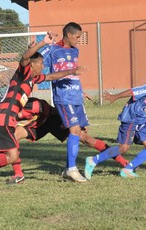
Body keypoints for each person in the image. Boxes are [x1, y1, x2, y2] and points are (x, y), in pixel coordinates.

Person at [0, 32, 87, 191]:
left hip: (5, 119)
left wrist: (71, 71)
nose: (43, 66)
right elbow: (25, 57)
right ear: (32, 65)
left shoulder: (33, 79)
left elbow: (51, 76)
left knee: (9, 156)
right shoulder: (22, 74)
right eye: (41, 63)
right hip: (3, 117)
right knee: (10, 156)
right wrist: (43, 43)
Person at [0, 98, 128, 184]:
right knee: (11, 142)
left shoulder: (32, 105)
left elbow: (45, 107)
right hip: (37, 125)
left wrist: (69, 121)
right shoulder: (3, 111)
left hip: (53, 120)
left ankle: (122, 162)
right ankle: (17, 174)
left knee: (86, 139)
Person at [85, 61, 146, 179]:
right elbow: (133, 91)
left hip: (142, 120)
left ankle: (128, 169)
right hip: (131, 117)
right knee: (123, 148)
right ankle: (93, 161)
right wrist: (115, 96)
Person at [39, 22, 89, 182]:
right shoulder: (53, 50)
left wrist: (81, 91)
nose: (79, 40)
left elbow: (72, 74)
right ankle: (72, 169)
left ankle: (69, 168)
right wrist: (36, 46)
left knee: (80, 132)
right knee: (74, 130)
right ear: (68, 35)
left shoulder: (75, 51)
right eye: (77, 37)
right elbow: (37, 61)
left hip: (76, 96)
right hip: (63, 97)